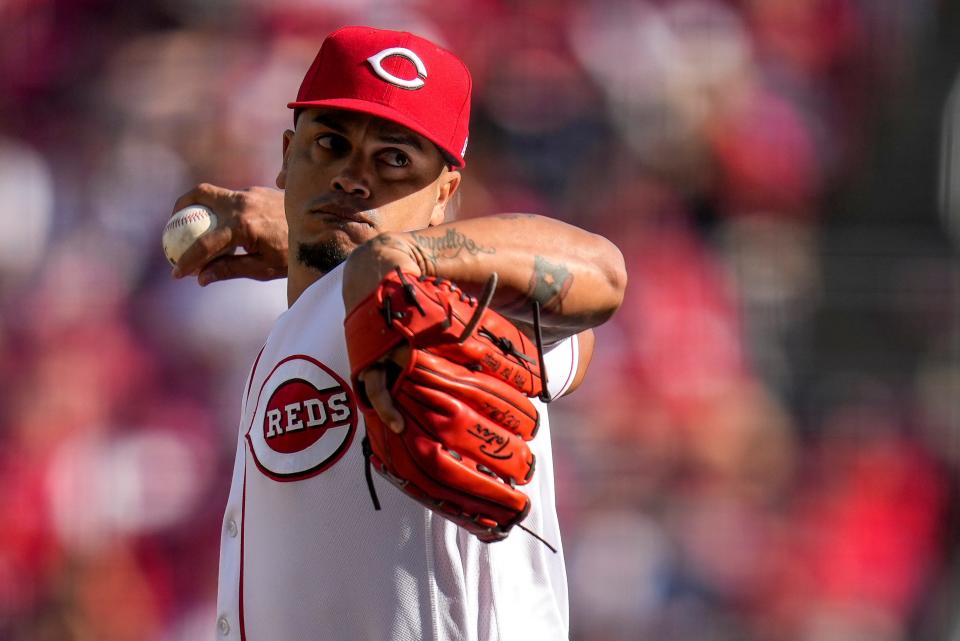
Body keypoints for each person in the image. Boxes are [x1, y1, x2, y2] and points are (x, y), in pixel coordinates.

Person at [171, 25, 626, 641]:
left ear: (445, 194)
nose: (354, 179)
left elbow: (601, 273)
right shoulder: (295, 321)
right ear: (285, 157)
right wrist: (318, 244)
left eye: (395, 160)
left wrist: (394, 255)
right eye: (330, 144)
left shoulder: (442, 299)